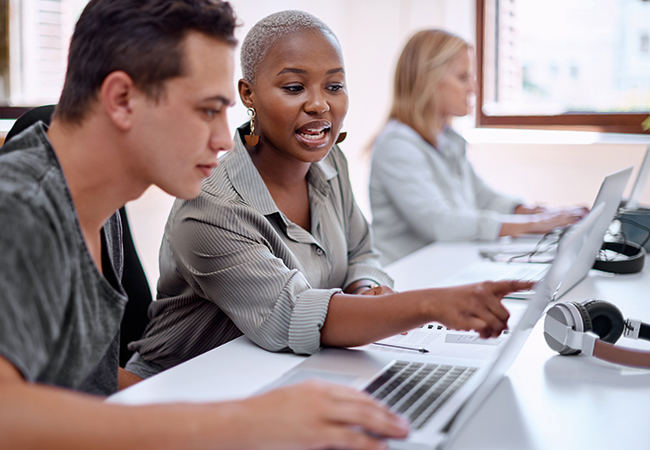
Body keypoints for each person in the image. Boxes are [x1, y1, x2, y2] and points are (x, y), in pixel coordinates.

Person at [0, 1, 413, 448]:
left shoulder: (94, 212)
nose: (222, 139)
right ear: (121, 99)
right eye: (207, 110)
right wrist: (239, 424)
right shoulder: (20, 207)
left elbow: (83, 385)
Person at [126, 11, 533, 380]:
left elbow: (361, 252)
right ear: (248, 94)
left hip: (282, 373)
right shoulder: (213, 205)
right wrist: (426, 305)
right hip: (177, 393)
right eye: (294, 87)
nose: (319, 104)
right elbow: (294, 315)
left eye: (334, 85)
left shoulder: (329, 162)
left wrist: (365, 288)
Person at [369, 30, 587, 265]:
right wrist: (533, 225)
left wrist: (529, 212)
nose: (473, 88)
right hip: (408, 275)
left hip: (443, 265)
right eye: (463, 77)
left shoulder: (447, 139)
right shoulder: (397, 145)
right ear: (428, 82)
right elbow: (441, 223)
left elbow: (482, 197)